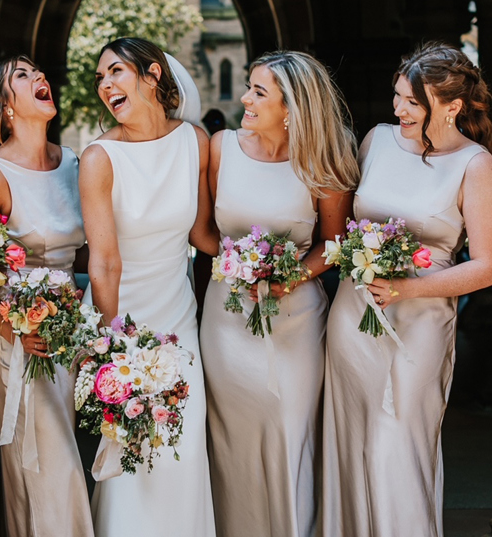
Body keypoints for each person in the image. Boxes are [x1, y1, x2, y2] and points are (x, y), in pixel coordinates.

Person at [323, 42, 492, 537]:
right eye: (397, 96)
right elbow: (345, 223)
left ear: (453, 106)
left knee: (395, 446)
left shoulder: (475, 164)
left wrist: (406, 289)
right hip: (353, 316)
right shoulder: (376, 139)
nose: (399, 109)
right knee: (351, 442)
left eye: (413, 102)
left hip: (419, 325)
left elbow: (485, 266)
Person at [200, 51, 358, 537]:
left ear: (292, 106)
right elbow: (202, 232)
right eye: (248, 86)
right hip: (227, 320)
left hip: (295, 321)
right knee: (232, 442)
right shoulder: (221, 148)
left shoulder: (324, 162)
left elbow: (332, 245)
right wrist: (236, 267)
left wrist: (283, 279)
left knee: (290, 436)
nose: (245, 99)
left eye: (258, 92)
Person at [79, 37, 217, 536]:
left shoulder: (194, 142)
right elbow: (104, 263)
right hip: (126, 325)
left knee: (180, 452)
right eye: (100, 79)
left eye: (115, 71)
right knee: (130, 456)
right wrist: (109, 348)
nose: (106, 85)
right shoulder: (99, 158)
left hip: (180, 323)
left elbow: (202, 235)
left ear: (152, 75)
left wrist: (260, 262)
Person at [0, 56, 93, 537]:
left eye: (39, 71)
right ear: (2, 106)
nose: (40, 77)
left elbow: (86, 257)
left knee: (51, 455)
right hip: (15, 335)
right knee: (44, 458)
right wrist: (14, 326)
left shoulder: (74, 163)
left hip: (66, 330)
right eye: (22, 75)